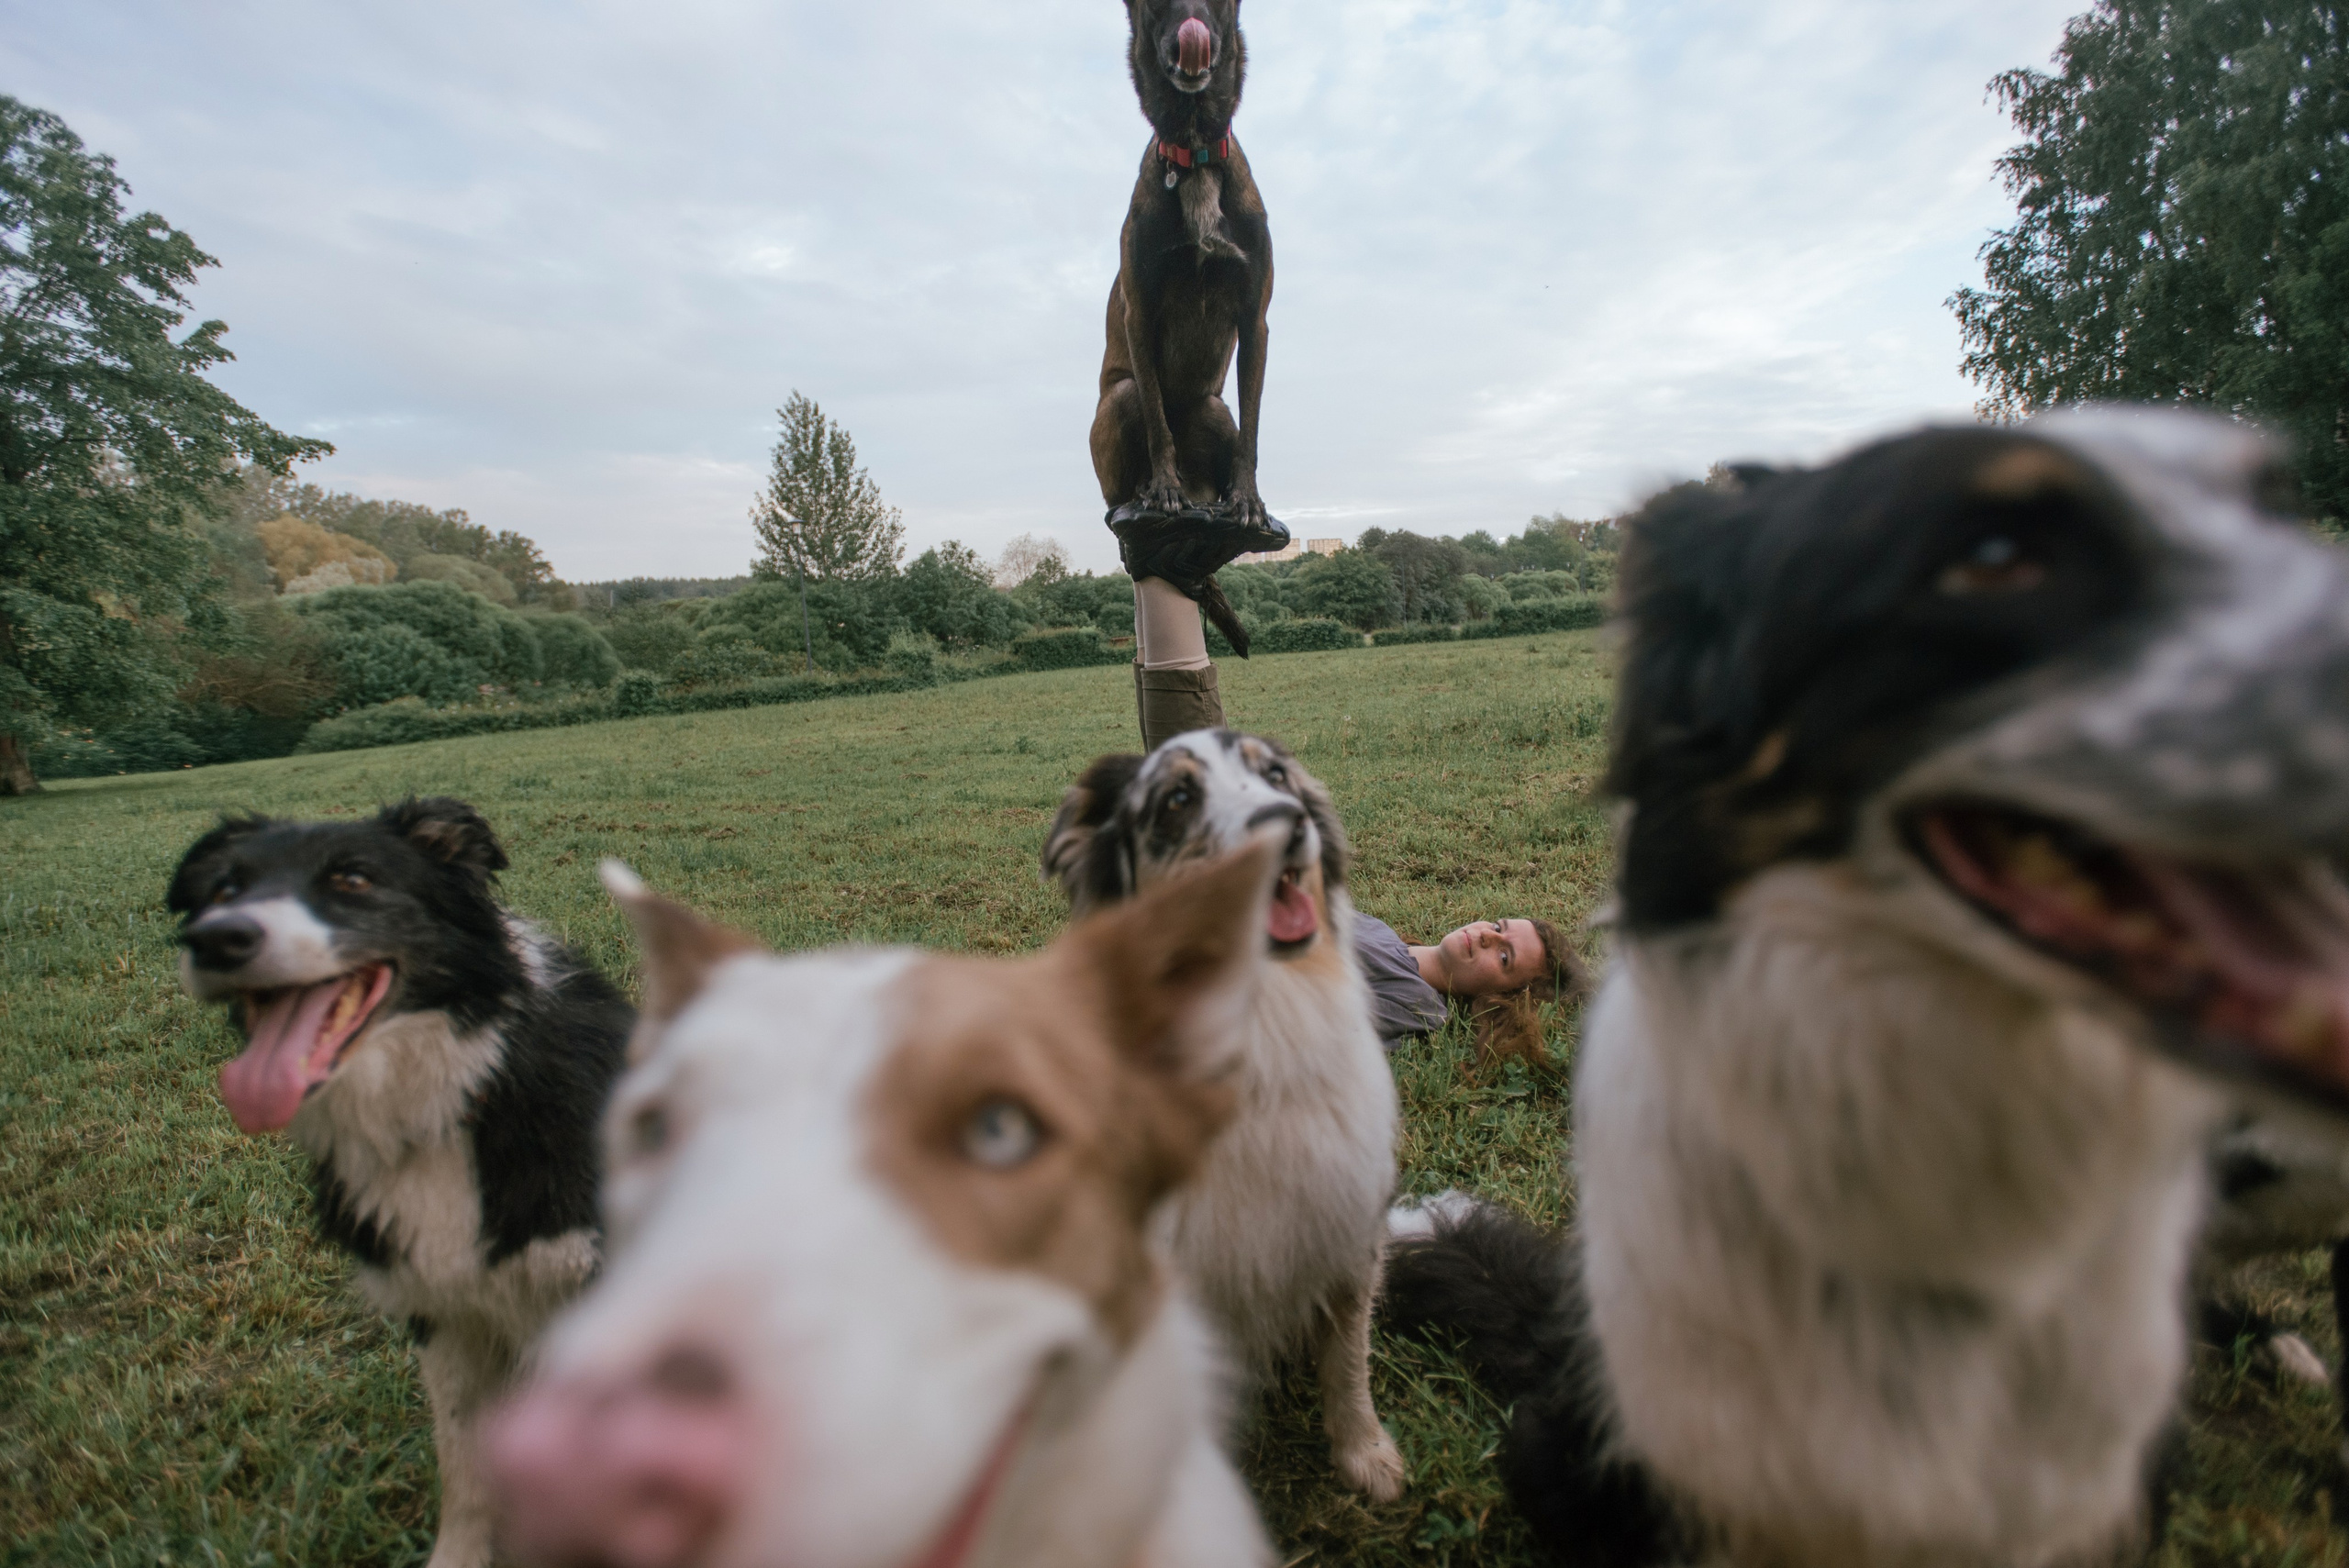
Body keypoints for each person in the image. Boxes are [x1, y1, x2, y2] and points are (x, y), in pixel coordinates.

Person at [1355, 911, 1590, 1063]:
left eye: (1504, 957)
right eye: (1499, 928)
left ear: (1501, 997)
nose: (1486, 935)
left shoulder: (1419, 1006)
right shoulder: (1379, 929)